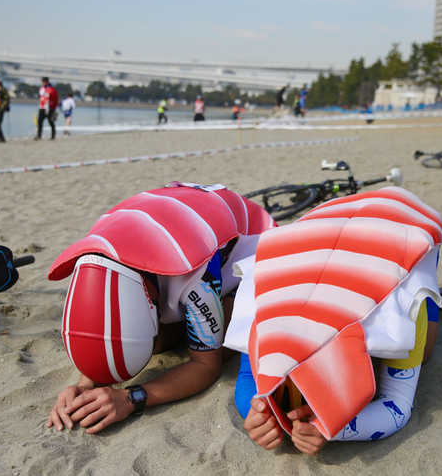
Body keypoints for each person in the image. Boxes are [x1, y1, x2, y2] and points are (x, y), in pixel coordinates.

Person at [224, 187, 442, 455]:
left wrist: (334, 428)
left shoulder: (400, 311)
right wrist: (257, 411)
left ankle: (430, 280)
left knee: (424, 352)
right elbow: (248, 375)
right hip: (323, 224)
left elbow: (398, 404)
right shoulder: (260, 300)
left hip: (405, 222)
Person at [46, 183, 275, 434]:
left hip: (251, 241)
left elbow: (207, 366)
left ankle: (186, 327)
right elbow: (100, 316)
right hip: (182, 213)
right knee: (151, 345)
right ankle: (180, 328)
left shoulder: (198, 273)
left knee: (224, 347)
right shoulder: (94, 255)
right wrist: (86, 384)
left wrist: (130, 399)